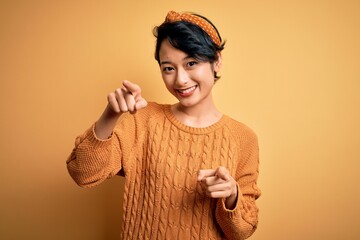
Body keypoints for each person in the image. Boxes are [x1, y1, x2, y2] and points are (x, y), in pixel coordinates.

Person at [67, 10, 261, 240]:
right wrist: (110, 114)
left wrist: (232, 195)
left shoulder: (243, 137)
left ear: (216, 61)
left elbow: (243, 230)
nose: (180, 79)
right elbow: (83, 173)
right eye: (168, 68)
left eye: (191, 63)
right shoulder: (143, 119)